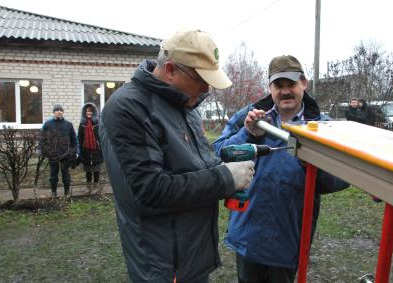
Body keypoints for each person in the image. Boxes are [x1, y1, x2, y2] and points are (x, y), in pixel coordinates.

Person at [99, 29, 255, 283]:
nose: (207, 88)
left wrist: (227, 168)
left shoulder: (186, 106)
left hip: (192, 255)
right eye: (201, 79)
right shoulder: (129, 108)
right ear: (171, 69)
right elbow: (150, 191)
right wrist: (225, 178)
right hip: (162, 263)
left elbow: (198, 164)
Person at [213, 55, 349, 283]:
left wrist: (312, 165)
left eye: (291, 85)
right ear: (270, 87)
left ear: (304, 84)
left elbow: (343, 177)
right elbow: (219, 151)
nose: (285, 91)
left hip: (288, 237)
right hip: (248, 234)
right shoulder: (251, 116)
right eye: (279, 85)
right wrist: (247, 133)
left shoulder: (322, 126)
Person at [40, 104, 77, 197]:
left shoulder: (68, 125)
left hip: (65, 154)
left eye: (61, 110)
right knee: (53, 175)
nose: (59, 112)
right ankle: (53, 192)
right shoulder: (48, 124)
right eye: (57, 110)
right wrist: (44, 151)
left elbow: (73, 140)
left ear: (63, 112)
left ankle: (67, 192)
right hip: (53, 154)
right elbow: (42, 139)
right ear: (53, 112)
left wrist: (74, 151)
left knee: (66, 174)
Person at [77, 102, 104, 194]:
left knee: (96, 169)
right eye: (87, 111)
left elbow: (102, 136)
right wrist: (80, 149)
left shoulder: (98, 123)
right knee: (88, 169)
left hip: (97, 149)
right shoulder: (82, 124)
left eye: (91, 111)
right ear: (85, 112)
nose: (89, 113)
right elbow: (80, 137)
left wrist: (102, 148)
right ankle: (88, 187)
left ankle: (96, 186)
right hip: (86, 150)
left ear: (94, 112)